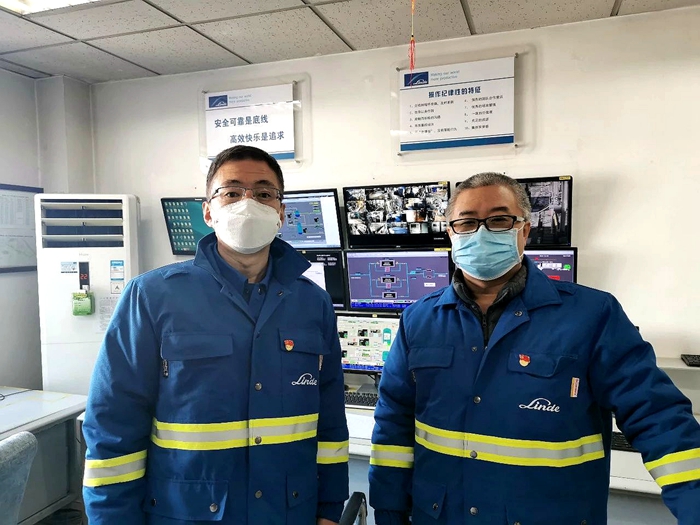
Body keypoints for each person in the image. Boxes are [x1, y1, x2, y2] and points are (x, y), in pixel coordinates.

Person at [369, 172, 700, 524]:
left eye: (499, 220)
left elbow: (657, 416)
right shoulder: (418, 319)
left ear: (524, 230)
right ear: (451, 233)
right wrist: (389, 511)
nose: (481, 233)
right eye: (467, 223)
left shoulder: (592, 316)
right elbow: (393, 422)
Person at [82, 145, 349, 525]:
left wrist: (329, 509)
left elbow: (331, 416)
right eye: (232, 192)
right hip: (186, 514)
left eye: (264, 193)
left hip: (289, 512)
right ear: (208, 211)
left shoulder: (313, 303)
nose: (248, 203)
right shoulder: (152, 297)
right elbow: (113, 423)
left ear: (281, 213)